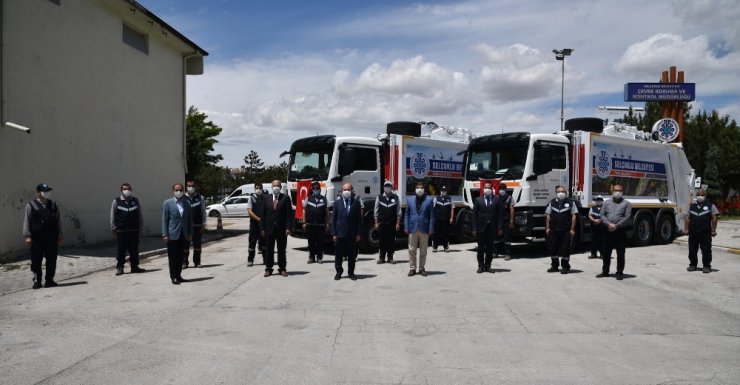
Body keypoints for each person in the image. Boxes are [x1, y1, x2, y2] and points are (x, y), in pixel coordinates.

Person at [23, 183, 63, 289]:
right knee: (36, 260)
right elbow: (26, 221)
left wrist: (59, 233)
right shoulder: (31, 205)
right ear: (38, 193)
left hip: (51, 237)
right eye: (45, 192)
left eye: (48, 191)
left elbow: (58, 220)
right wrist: (27, 236)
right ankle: (37, 281)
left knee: (51, 259)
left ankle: (49, 280)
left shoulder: (53, 205)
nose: (47, 193)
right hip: (37, 238)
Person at [597, 184, 632, 280]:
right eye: (616, 190)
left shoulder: (627, 203)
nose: (618, 192)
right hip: (607, 230)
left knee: (620, 253)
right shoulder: (606, 203)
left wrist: (616, 225)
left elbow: (627, 217)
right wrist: (609, 224)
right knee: (606, 252)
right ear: (612, 191)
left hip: (620, 231)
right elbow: (602, 215)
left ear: (622, 191)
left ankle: (619, 272)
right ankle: (605, 271)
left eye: (620, 190)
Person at [110, 183, 145, 276]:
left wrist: (141, 227)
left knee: (134, 250)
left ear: (131, 189)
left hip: (134, 230)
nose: (127, 190)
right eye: (124, 189)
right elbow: (112, 215)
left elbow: (139, 214)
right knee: (121, 250)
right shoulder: (116, 201)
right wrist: (113, 227)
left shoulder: (135, 200)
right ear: (121, 190)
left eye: (128, 189)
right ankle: (120, 267)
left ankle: (134, 267)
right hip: (121, 230)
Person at [161, 183, 193, 285]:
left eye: (180, 190)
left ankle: (179, 275)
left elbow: (189, 220)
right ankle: (173, 276)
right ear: (173, 191)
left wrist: (190, 233)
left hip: (183, 234)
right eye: (176, 190)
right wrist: (165, 234)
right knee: (173, 257)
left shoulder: (187, 203)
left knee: (181, 256)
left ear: (183, 191)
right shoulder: (167, 203)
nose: (178, 192)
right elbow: (164, 220)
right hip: (172, 234)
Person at [260, 179, 293, 277]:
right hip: (269, 229)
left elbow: (289, 215)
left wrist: (288, 227)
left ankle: (282, 269)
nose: (276, 187)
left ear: (281, 187)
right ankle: (268, 269)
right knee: (269, 250)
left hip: (281, 229)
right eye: (274, 185)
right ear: (271, 187)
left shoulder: (285, 198)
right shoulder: (266, 198)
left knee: (281, 250)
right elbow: (263, 215)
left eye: (278, 185)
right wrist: (262, 228)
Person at [332, 183, 363, 280]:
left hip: (352, 234)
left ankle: (351, 273)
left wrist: (358, 233)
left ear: (352, 191)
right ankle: (338, 272)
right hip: (340, 234)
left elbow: (359, 220)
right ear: (341, 191)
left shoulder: (356, 203)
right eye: (344, 189)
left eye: (348, 189)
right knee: (338, 255)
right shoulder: (337, 203)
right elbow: (334, 219)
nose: (346, 191)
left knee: (352, 255)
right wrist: (334, 233)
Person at [684, 189, 719, 273]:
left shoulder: (711, 206)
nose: (700, 196)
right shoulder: (691, 206)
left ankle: (706, 266)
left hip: (705, 233)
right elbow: (687, 218)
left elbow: (714, 218)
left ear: (705, 196)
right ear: (696, 196)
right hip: (693, 232)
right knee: (692, 249)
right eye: (698, 195)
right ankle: (692, 265)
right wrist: (686, 229)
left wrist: (713, 230)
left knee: (706, 250)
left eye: (702, 195)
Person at [545, 185, 578, 274]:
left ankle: (565, 266)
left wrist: (572, 229)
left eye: (563, 192)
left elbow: (574, 216)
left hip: (566, 230)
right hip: (554, 230)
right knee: (553, 247)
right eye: (559, 192)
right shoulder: (552, 202)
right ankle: (554, 266)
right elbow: (548, 215)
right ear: (556, 193)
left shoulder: (571, 202)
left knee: (565, 248)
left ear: (566, 193)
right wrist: (547, 228)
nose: (561, 193)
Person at [404, 181, 435, 277]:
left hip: (424, 228)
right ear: (415, 189)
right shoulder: (409, 200)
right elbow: (407, 214)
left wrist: (431, 228)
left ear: (424, 189)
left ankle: (422, 268)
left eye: (421, 187)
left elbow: (432, 216)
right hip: (412, 228)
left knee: (423, 250)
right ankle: (412, 268)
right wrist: (406, 226)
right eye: (418, 187)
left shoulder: (429, 200)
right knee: (411, 250)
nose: (419, 189)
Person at [471, 182, 501, 273]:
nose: (487, 189)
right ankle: (480, 266)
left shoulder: (497, 200)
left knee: (490, 248)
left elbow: (500, 215)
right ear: (483, 189)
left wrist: (500, 227)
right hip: (481, 228)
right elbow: (474, 216)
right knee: (480, 248)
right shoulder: (478, 200)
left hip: (492, 228)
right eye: (486, 187)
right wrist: (474, 229)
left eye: (489, 188)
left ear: (492, 189)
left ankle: (488, 266)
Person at [374, 180, 401, 264]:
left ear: (391, 187)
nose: (387, 188)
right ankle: (382, 257)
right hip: (382, 224)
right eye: (386, 186)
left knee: (391, 241)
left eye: (389, 186)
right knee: (382, 241)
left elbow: (399, 212)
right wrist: (376, 222)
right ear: (383, 187)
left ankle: (390, 257)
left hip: (392, 224)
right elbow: (376, 211)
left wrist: (398, 223)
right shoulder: (379, 197)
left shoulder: (396, 197)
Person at [303, 181, 328, 264]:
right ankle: (311, 257)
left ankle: (319, 257)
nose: (315, 189)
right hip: (310, 224)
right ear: (312, 189)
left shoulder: (324, 199)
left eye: (317, 188)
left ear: (320, 189)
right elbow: (304, 211)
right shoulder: (308, 198)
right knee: (311, 242)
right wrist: (304, 222)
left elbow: (326, 212)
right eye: (314, 188)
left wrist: (327, 223)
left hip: (320, 224)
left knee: (320, 242)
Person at [184, 180, 207, 268]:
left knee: (197, 246)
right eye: (189, 186)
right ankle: (184, 262)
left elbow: (203, 211)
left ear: (195, 186)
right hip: (186, 227)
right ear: (186, 187)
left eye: (192, 186)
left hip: (197, 225)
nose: (190, 188)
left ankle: (197, 262)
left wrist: (204, 224)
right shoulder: (183, 197)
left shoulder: (200, 197)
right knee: (185, 246)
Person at [246, 182, 266, 267]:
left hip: (264, 225)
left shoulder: (265, 198)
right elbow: (250, 211)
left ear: (262, 189)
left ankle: (266, 259)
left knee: (264, 243)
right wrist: (258, 219)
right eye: (257, 188)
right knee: (252, 243)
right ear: (254, 189)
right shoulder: (251, 198)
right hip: (254, 224)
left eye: (260, 188)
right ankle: (250, 260)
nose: (258, 190)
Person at [432, 186, 454, 253]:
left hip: (446, 219)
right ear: (440, 191)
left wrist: (451, 218)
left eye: (445, 190)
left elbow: (452, 208)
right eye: (442, 190)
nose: (443, 192)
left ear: (446, 191)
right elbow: (433, 209)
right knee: (436, 233)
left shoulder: (450, 199)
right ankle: (435, 247)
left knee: (446, 233)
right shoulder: (436, 198)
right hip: (437, 219)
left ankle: (446, 247)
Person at [495, 183, 514, 260]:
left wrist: (511, 221)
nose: (501, 190)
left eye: (503, 188)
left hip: (506, 221)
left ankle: (507, 254)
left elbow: (512, 210)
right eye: (500, 188)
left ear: (506, 189)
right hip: (497, 221)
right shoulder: (495, 198)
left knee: (507, 238)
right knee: (495, 238)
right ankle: (495, 253)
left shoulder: (510, 198)